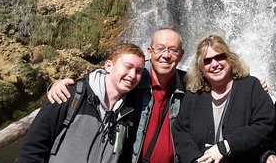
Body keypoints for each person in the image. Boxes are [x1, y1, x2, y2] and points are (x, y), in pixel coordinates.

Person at [48, 28, 187, 163]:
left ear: (181, 55)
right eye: (160, 48)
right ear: (150, 52)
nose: (166, 55)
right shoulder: (132, 80)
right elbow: (102, 82)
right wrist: (59, 85)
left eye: (173, 50)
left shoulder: (189, 86)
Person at [19, 43, 145, 163]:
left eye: (138, 71)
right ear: (108, 66)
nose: (132, 75)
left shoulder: (130, 111)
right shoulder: (68, 95)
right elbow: (32, 149)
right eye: (128, 67)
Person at [172, 34, 275, 163]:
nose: (214, 64)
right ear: (201, 68)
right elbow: (180, 131)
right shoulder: (193, 95)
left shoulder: (251, 87)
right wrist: (195, 159)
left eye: (219, 57)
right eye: (207, 61)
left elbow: (266, 125)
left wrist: (227, 145)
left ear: (230, 59)